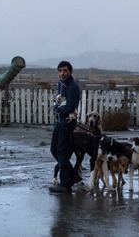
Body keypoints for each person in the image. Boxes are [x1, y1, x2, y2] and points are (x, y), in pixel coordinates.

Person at [49, 61, 82, 193]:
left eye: (65, 71)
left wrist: (57, 108)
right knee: (54, 149)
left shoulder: (73, 87)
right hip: (59, 122)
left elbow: (70, 107)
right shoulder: (61, 84)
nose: (62, 73)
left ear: (70, 72)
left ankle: (65, 184)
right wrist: (58, 108)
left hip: (68, 123)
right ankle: (72, 176)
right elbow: (61, 101)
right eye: (60, 70)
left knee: (62, 152)